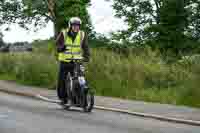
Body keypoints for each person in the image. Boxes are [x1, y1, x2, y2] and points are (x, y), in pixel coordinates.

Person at [56, 17, 90, 105]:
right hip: (65, 60)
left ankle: (79, 100)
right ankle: (63, 98)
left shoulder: (82, 34)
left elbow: (85, 47)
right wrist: (61, 48)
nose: (76, 27)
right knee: (62, 80)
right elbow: (58, 44)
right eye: (74, 26)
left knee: (79, 79)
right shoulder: (64, 33)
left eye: (78, 26)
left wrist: (87, 56)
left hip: (77, 61)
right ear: (70, 26)